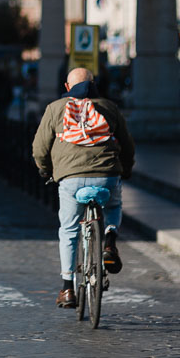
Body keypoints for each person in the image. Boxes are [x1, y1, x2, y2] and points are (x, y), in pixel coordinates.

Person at [32, 66, 135, 309]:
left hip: (71, 178)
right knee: (114, 204)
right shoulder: (110, 108)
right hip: (107, 175)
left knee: (68, 230)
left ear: (67, 88)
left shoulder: (55, 108)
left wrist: (45, 169)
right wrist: (126, 169)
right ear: (94, 83)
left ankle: (67, 288)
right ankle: (109, 240)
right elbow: (128, 145)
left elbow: (39, 148)